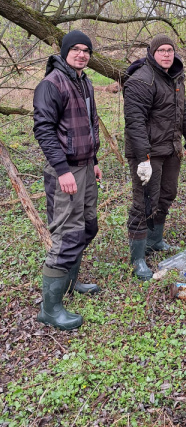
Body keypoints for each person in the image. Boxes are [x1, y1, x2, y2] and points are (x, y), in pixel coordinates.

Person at [32, 30, 103, 330]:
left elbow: (89, 124)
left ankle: (69, 285)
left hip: (86, 167)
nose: (81, 54)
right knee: (67, 234)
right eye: (75, 49)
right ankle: (50, 309)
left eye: (86, 50)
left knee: (88, 225)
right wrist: (62, 170)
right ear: (64, 52)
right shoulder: (51, 84)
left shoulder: (83, 80)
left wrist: (94, 161)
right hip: (66, 171)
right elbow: (44, 130)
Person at [123, 35, 186, 280]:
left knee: (167, 194)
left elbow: (182, 109)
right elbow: (135, 123)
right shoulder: (141, 80)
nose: (167, 54)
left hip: (170, 149)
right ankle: (138, 258)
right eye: (162, 50)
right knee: (145, 202)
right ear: (152, 53)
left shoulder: (175, 76)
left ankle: (155, 241)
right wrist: (143, 157)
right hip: (148, 153)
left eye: (170, 50)